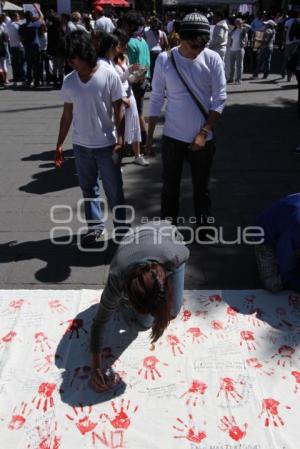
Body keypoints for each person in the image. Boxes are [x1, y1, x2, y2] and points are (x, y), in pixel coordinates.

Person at [146, 13, 227, 231]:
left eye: (202, 46)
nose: (197, 50)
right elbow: (156, 98)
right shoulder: (165, 59)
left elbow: (220, 98)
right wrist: (148, 136)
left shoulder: (213, 58)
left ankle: (204, 226)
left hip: (204, 138)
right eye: (193, 45)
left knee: (202, 188)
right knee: (170, 187)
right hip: (173, 137)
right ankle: (167, 228)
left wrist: (204, 132)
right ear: (181, 37)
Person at [89, 221, 190, 392]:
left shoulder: (175, 256)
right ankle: (127, 306)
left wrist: (164, 307)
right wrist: (95, 368)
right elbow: (99, 323)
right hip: (132, 241)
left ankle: (159, 303)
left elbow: (185, 251)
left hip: (164, 235)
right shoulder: (117, 278)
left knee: (173, 311)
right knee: (144, 323)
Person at [55, 30, 126, 246]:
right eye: (68, 58)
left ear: (85, 53)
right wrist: (59, 144)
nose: (70, 62)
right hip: (81, 145)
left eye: (72, 57)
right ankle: (95, 227)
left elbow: (119, 109)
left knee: (114, 190)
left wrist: (121, 140)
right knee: (88, 188)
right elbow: (67, 115)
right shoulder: (69, 81)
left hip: (107, 145)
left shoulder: (108, 75)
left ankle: (122, 228)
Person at [255, 194, 300, 293]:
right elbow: (286, 265)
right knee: (274, 284)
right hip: (265, 236)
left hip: (288, 227)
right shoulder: (296, 226)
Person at [122, 12, 151, 149]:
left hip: (134, 80)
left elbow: (128, 65)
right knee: (139, 111)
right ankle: (144, 140)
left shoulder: (129, 43)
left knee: (134, 113)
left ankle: (140, 141)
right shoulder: (143, 41)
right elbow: (147, 63)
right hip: (145, 79)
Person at [19, 3, 44, 88]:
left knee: (29, 64)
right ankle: (36, 82)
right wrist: (37, 8)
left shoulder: (21, 26)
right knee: (36, 64)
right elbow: (42, 17)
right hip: (35, 46)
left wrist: (24, 44)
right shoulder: (34, 24)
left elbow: (21, 38)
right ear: (31, 16)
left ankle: (29, 81)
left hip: (27, 46)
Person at [6, 12, 25, 86]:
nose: (19, 18)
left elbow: (7, 36)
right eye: (18, 16)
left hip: (12, 46)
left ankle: (15, 79)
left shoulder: (8, 25)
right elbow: (21, 36)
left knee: (14, 64)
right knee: (22, 63)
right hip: (19, 46)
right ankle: (23, 78)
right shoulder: (18, 25)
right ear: (15, 17)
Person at [228, 18, 249, 84]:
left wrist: (242, 23)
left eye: (238, 22)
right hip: (232, 49)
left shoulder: (243, 30)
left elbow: (250, 27)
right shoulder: (234, 30)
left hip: (239, 50)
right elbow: (229, 35)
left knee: (239, 65)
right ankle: (231, 79)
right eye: (236, 22)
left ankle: (238, 79)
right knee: (232, 66)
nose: (237, 23)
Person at [47, 14, 66, 88]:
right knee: (60, 67)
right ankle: (61, 82)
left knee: (55, 66)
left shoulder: (50, 28)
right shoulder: (60, 29)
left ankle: (55, 82)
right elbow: (62, 40)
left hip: (53, 49)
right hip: (60, 50)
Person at [281, 11, 300, 81]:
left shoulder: (287, 22)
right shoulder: (298, 21)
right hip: (296, 43)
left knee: (285, 59)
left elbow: (284, 32)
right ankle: (289, 77)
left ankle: (283, 73)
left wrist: (283, 42)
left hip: (288, 43)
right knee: (293, 60)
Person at [0, 14, 9, 86]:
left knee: (2, 65)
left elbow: (6, 37)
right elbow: (6, 37)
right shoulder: (4, 26)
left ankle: (3, 80)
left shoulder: (4, 25)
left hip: (3, 48)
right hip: (3, 48)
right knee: (3, 64)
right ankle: (4, 80)